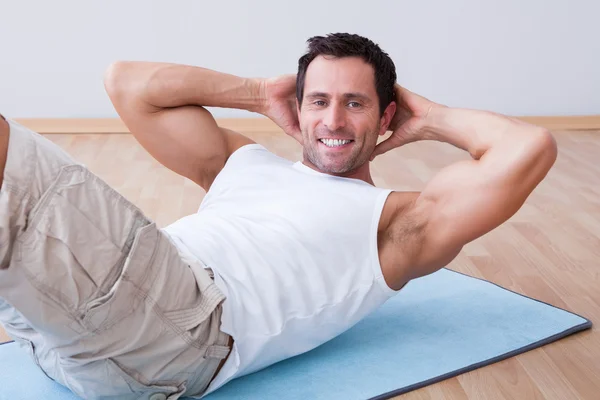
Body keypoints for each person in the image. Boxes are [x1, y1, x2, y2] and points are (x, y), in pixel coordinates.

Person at [0, 33, 557, 399]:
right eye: (318, 100)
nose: (333, 119)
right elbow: (127, 82)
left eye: (356, 103)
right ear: (298, 104)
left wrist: (429, 117)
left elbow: (529, 148)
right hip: (61, 346)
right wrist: (256, 92)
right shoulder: (238, 161)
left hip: (181, 329)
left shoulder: (396, 223)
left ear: (387, 114)